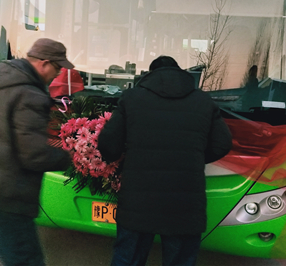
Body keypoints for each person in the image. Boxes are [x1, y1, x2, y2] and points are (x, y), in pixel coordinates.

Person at [98, 56, 233, 266]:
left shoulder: (131, 98)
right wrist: (194, 157)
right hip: (184, 207)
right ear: (180, 73)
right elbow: (222, 144)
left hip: (137, 204)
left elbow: (109, 146)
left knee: (128, 259)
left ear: (150, 75)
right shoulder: (203, 101)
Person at [0, 38, 74, 266]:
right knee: (26, 261)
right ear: (44, 63)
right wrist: (70, 158)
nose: (58, 74)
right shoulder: (30, 94)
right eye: (58, 68)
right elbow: (33, 155)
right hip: (4, 195)